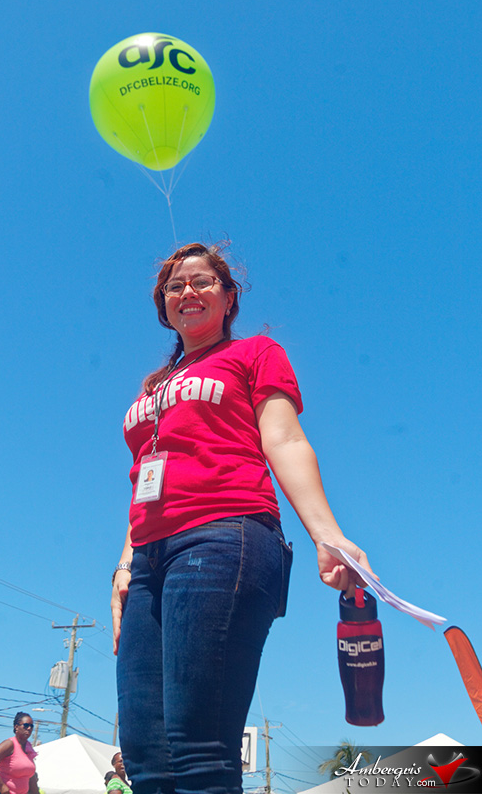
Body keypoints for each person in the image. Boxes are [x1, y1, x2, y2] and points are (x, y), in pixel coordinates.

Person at [111, 242, 375, 794]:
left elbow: (285, 440)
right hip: (150, 559)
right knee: (144, 757)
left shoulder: (255, 353)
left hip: (223, 536)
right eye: (175, 286)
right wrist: (125, 562)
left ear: (229, 297)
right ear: (163, 305)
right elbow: (144, 478)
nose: (188, 291)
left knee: (199, 748)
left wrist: (327, 534)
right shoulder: (153, 386)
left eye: (203, 281)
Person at [0, 712, 39, 794]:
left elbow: (31, 777)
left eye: (31, 726)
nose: (29, 728)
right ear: (16, 727)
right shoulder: (10, 744)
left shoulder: (28, 746)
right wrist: (1, 786)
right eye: (26, 725)